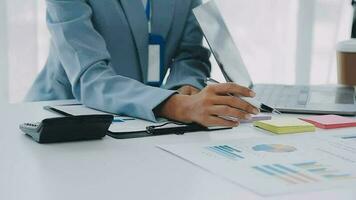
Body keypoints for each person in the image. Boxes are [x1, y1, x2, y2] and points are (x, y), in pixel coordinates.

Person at [26, 0, 259, 127]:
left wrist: (184, 86)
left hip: (137, 117)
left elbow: (190, 53)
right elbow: (91, 77)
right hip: (63, 115)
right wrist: (176, 105)